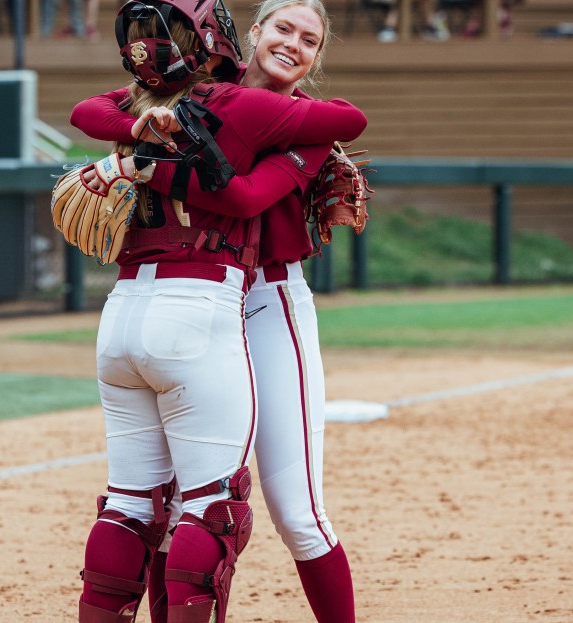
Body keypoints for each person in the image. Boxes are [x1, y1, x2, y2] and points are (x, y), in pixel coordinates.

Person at [67, 0, 367, 621]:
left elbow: (247, 197)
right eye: (283, 28)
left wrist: (138, 166)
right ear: (252, 32)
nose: (293, 44)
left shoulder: (306, 123)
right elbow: (92, 108)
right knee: (176, 508)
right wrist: (140, 138)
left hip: (268, 299)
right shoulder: (195, 93)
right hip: (203, 299)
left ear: (317, 57)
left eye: (309, 40)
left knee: (297, 510)